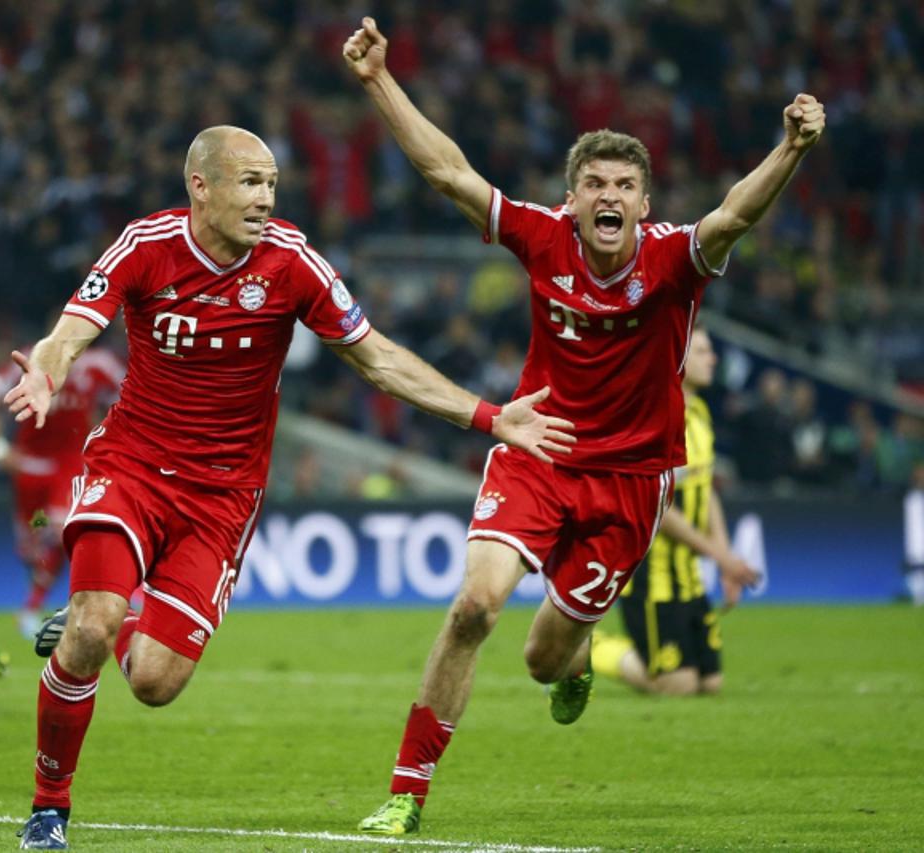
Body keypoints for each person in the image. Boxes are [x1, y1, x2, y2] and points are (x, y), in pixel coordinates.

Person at [3, 125, 576, 850]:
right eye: (249, 182)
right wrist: (46, 369)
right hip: (131, 467)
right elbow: (72, 328)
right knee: (89, 625)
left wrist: (490, 416)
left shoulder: (292, 262)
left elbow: (378, 360)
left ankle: (124, 611)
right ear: (200, 187)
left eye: (272, 183)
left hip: (221, 499)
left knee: (154, 680)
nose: (265, 198)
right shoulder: (146, 244)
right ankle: (49, 809)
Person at [342, 16, 824, 835]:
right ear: (573, 197)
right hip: (540, 446)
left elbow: (734, 215)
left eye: (623, 186)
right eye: (594, 183)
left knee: (541, 660)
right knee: (473, 608)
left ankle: (576, 665)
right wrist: (378, 81)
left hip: (631, 482)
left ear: (645, 202)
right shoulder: (543, 237)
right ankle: (406, 792)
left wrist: (791, 149)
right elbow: (448, 174)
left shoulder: (674, 260)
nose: (608, 197)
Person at [590, 326, 761, 694]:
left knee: (710, 685)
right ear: (678, 360)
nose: (712, 358)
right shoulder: (655, 421)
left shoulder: (698, 413)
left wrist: (725, 556)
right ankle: (584, 649)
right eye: (702, 351)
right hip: (650, 576)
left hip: (687, 574)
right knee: (678, 686)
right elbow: (658, 509)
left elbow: (706, 490)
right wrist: (720, 556)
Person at [0, 343, 124, 639]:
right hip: (29, 470)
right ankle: (44, 594)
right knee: (35, 546)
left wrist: (109, 441)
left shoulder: (99, 363)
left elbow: (131, 399)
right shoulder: (28, 361)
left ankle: (38, 607)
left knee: (60, 530)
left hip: (70, 466)